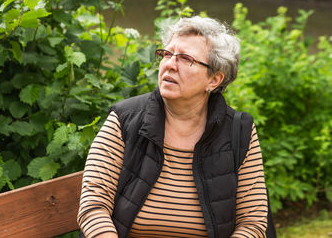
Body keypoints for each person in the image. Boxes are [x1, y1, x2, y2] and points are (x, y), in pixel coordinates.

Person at [77, 16, 268, 238]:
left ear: (214, 80)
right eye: (167, 54)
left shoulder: (239, 131)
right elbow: (93, 208)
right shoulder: (124, 120)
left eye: (186, 58)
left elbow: (252, 223)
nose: (169, 65)